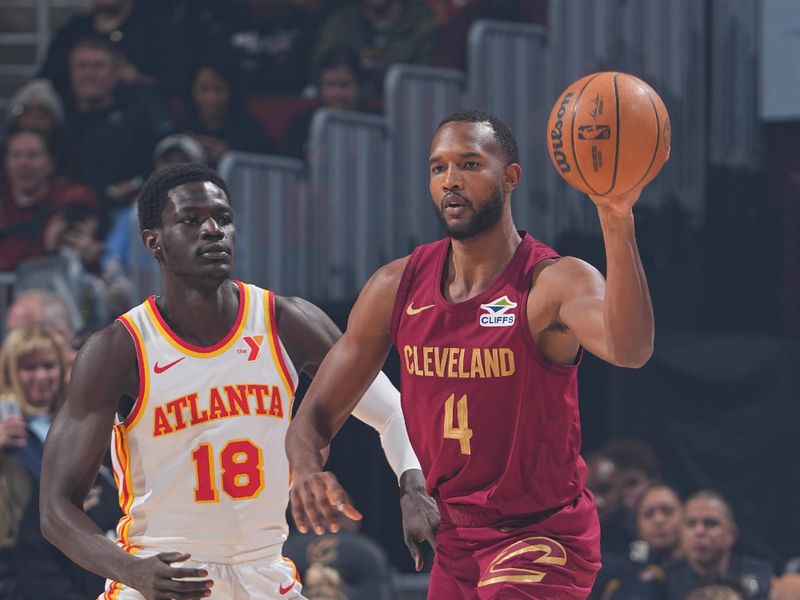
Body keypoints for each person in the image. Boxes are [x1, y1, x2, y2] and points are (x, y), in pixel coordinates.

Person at [286, 108, 656, 598]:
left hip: (541, 533)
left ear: (510, 178)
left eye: (469, 164)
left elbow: (630, 350)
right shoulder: (396, 286)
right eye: (438, 168)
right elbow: (313, 418)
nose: (450, 180)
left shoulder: (553, 282)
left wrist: (616, 218)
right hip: (456, 538)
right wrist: (309, 473)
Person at [40, 162, 437, 599]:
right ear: (154, 242)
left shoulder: (288, 322)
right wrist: (130, 569)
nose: (213, 230)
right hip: (164, 576)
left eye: (223, 218)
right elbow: (56, 508)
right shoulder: (119, 349)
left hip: (262, 573)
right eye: (191, 221)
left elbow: (393, 410)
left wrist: (413, 484)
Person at [0, 128, 100, 273]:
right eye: (16, 155)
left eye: (33, 156)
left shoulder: (71, 201)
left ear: (50, 163)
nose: (23, 163)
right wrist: (44, 243)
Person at [662, 490, 773, 600]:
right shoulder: (664, 579)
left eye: (710, 523)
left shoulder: (759, 575)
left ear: (731, 534)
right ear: (680, 533)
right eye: (691, 524)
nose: (700, 531)